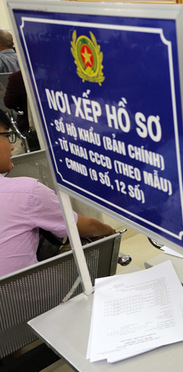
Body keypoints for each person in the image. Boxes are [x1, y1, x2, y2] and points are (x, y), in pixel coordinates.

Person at [0, 110, 115, 277]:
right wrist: (111, 233)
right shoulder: (27, 192)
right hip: (31, 298)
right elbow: (87, 227)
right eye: (6, 135)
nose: (12, 145)